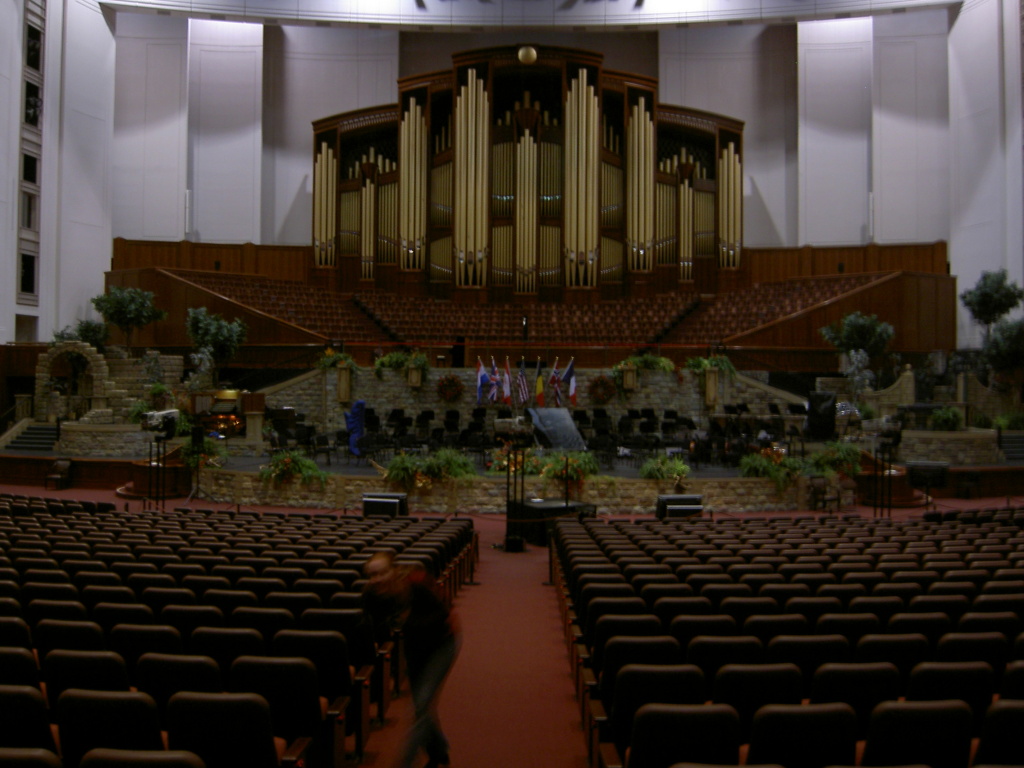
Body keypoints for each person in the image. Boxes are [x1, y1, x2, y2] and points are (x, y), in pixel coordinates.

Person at [362, 551, 460, 768]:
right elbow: (374, 628)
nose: (377, 579)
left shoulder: (415, 583)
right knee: (420, 706)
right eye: (372, 575)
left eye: (382, 573)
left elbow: (443, 615)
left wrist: (408, 622)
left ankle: (405, 763)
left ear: (394, 571)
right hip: (415, 648)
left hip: (442, 644)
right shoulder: (371, 596)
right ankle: (438, 750)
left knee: (423, 702)